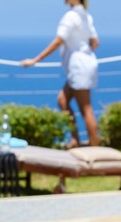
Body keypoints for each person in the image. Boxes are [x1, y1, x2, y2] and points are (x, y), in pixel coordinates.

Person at [22, 0, 100, 148]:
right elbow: (95, 42)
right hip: (86, 64)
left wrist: (35, 60)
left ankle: (94, 146)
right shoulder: (86, 16)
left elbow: (58, 41)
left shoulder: (71, 17)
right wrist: (84, 50)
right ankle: (76, 140)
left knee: (86, 108)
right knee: (63, 100)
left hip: (78, 67)